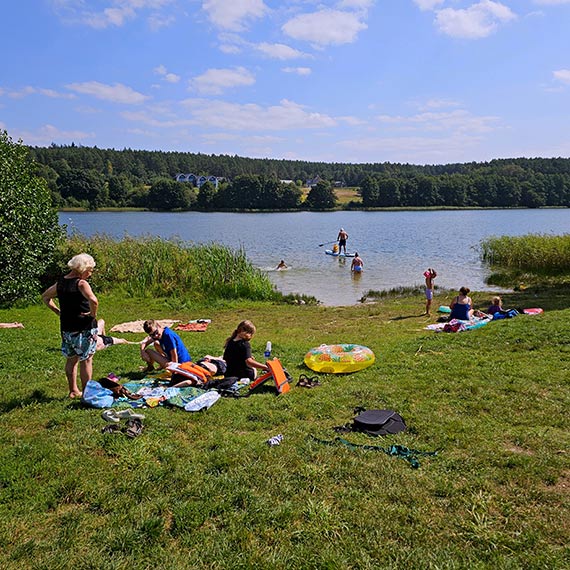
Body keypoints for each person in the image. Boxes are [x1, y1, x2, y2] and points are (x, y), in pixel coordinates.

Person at [42, 253, 99, 398]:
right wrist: (92, 315)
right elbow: (94, 301)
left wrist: (58, 312)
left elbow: (45, 297)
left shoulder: (61, 283)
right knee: (86, 359)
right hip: (83, 328)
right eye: (90, 270)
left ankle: (73, 390)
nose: (90, 274)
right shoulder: (81, 283)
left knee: (71, 359)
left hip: (67, 329)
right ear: (83, 268)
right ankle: (87, 393)